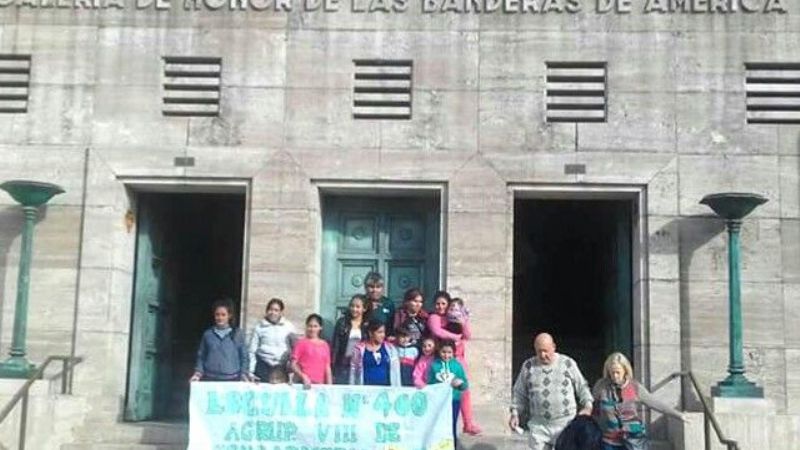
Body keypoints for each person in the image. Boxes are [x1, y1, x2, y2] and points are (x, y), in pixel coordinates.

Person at [509, 333, 594, 450]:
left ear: (553, 347)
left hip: (565, 424)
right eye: (539, 351)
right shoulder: (528, 366)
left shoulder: (567, 363)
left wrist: (588, 406)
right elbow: (519, 392)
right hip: (538, 426)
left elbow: (582, 386)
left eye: (545, 351)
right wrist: (515, 413)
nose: (543, 355)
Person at [592, 352, 685, 450]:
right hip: (609, 440)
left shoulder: (634, 387)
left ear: (625, 370)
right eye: (612, 372)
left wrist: (679, 415)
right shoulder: (601, 386)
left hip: (633, 439)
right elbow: (592, 406)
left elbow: (655, 403)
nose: (615, 376)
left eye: (618, 372)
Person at [429, 293, 481, 435]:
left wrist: (463, 321)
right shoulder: (434, 318)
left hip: (458, 358)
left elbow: (468, 335)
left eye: (444, 304)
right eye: (438, 304)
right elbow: (437, 331)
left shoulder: (453, 317)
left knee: (464, 388)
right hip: (441, 358)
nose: (440, 307)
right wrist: (457, 337)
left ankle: (468, 423)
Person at [190, 298, 248, 382]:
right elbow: (201, 356)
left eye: (223, 315)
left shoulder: (237, 334)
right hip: (210, 377)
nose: (220, 318)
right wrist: (198, 373)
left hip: (231, 379)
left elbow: (244, 356)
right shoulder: (208, 334)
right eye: (217, 314)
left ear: (229, 316)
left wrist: (244, 373)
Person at [427, 340, 469, 447]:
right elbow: (430, 383)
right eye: (444, 352)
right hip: (438, 402)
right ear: (439, 352)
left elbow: (465, 384)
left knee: (451, 426)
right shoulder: (434, 366)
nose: (446, 355)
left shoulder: (457, 366)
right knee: (438, 426)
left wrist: (460, 383)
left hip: (453, 401)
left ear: (453, 352)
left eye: (449, 352)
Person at [247, 298, 296, 383]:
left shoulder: (289, 327)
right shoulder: (259, 327)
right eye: (270, 309)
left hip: (282, 367)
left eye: (276, 310)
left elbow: (295, 349)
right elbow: (252, 351)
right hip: (263, 365)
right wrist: (251, 371)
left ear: (281, 312)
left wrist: (292, 368)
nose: (273, 312)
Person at [330, 294, 368, 384]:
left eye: (358, 307)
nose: (354, 309)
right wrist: (333, 366)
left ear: (364, 309)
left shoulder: (367, 325)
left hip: (360, 365)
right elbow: (336, 345)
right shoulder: (342, 323)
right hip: (344, 363)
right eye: (352, 306)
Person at [291, 314, 332, 388]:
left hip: (319, 385)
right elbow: (293, 364)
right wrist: (303, 376)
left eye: (315, 326)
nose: (312, 329)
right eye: (310, 326)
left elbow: (327, 367)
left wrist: (330, 386)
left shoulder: (325, 345)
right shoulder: (301, 343)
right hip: (303, 384)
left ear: (320, 327)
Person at [363, 272, 396, 336]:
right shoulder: (361, 301)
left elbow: (392, 324)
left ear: (382, 288)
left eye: (378, 287)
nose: (375, 290)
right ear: (366, 288)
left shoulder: (388, 303)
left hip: (384, 340)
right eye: (371, 287)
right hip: (364, 340)